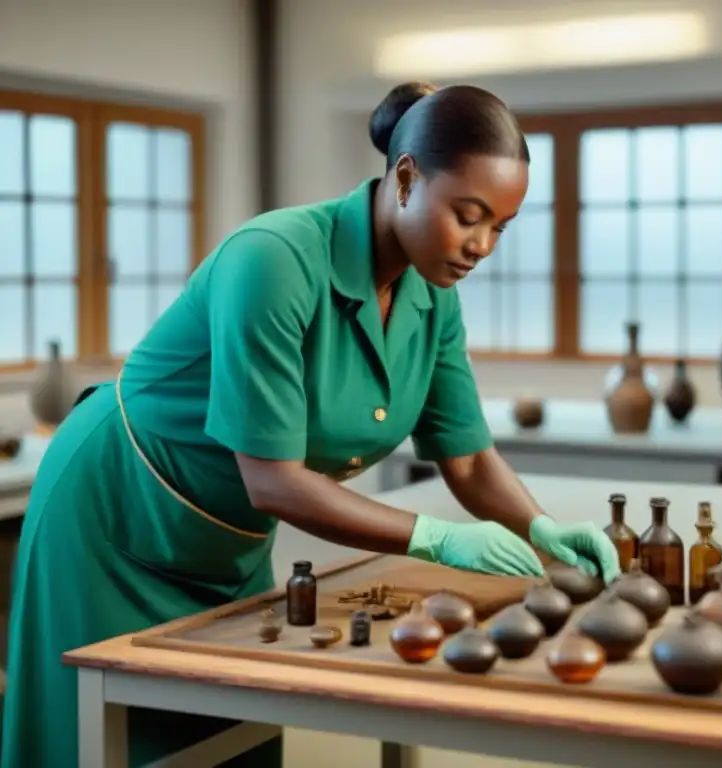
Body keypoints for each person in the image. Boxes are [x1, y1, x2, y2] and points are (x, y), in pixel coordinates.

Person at [1, 81, 621, 767]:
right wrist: (437, 538)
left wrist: (538, 528)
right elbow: (273, 481)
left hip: (223, 538)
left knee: (230, 736)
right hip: (112, 515)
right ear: (407, 179)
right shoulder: (274, 258)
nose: (481, 246)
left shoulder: (432, 293)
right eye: (468, 215)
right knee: (98, 740)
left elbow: (467, 458)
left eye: (499, 227)